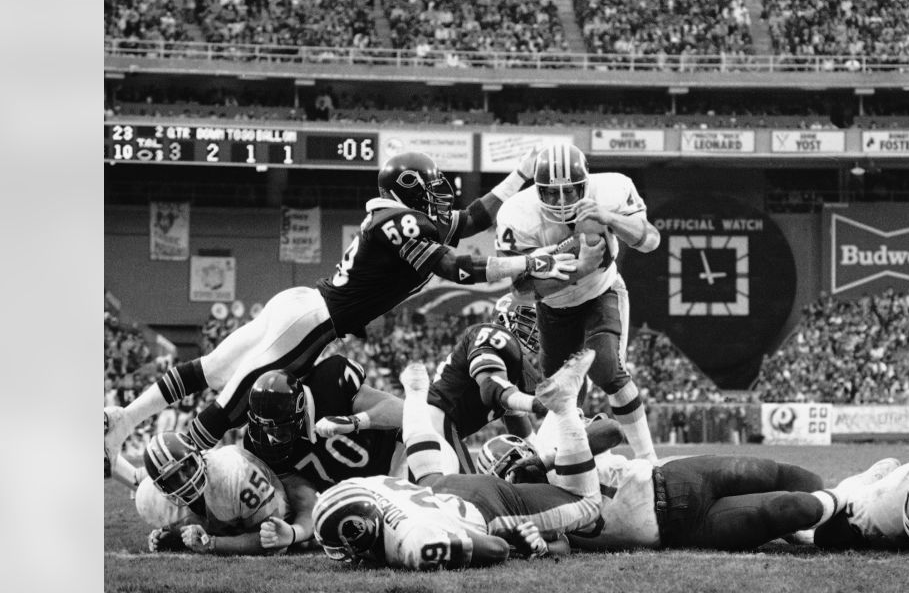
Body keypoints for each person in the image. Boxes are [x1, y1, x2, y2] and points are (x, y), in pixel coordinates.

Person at [105, 151, 577, 466]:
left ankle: (126, 418)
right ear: (409, 188)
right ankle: (167, 476)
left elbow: (474, 217)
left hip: (301, 306)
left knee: (211, 370)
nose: (440, 191)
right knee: (232, 402)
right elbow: (458, 267)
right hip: (314, 319)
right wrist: (530, 260)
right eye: (430, 184)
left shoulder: (403, 217)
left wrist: (520, 174)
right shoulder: (401, 221)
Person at [309, 349, 602, 569]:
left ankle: (563, 408)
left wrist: (519, 543)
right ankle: (415, 398)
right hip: (442, 487)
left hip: (485, 508)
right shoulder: (363, 488)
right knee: (428, 475)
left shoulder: (412, 541)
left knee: (587, 503)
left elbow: (496, 548)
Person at [495, 142, 662, 463]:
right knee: (563, 394)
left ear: (585, 184)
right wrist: (578, 267)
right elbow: (520, 291)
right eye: (551, 193)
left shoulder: (611, 188)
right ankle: (564, 462)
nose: (560, 201)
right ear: (536, 189)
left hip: (602, 292)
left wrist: (608, 216)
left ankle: (649, 461)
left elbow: (650, 240)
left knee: (607, 371)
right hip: (554, 308)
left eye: (570, 191)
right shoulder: (517, 215)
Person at [481, 421, 865, 552]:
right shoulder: (535, 511)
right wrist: (534, 545)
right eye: (511, 471)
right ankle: (855, 495)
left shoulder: (560, 458)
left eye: (519, 463)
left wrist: (548, 459)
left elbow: (611, 430)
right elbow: (561, 546)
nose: (519, 473)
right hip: (684, 529)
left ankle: (852, 494)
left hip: (682, 477)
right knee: (794, 509)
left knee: (797, 478)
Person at [413, 293, 547, 475]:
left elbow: (519, 424)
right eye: (528, 320)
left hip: (447, 427)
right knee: (464, 492)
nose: (535, 328)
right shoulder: (491, 334)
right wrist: (537, 404)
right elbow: (492, 385)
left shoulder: (520, 368)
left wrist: (542, 455)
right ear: (504, 318)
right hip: (437, 418)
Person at [113, 431, 295, 555]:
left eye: (187, 467)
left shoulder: (233, 471)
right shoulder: (154, 498)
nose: (186, 479)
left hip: (280, 514)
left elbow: (273, 542)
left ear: (197, 455)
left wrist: (211, 543)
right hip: (231, 514)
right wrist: (176, 537)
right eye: (174, 477)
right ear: (163, 487)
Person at [244, 354, 405, 491]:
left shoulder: (328, 383)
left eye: (279, 431)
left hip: (397, 463)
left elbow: (402, 411)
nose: (271, 439)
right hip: (362, 500)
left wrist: (354, 421)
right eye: (264, 428)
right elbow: (300, 499)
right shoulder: (256, 446)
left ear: (299, 413)